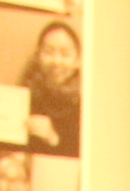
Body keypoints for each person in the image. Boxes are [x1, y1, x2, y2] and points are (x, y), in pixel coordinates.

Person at [22, 19, 82, 154]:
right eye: (49, 52)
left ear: (78, 60)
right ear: (38, 56)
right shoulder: (25, 95)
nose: (56, 61)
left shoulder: (85, 105)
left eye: (65, 54)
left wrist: (53, 138)